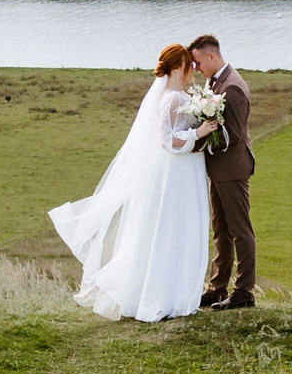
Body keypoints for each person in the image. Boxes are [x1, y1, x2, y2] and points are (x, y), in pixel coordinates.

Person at [47, 44, 214, 322]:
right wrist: (199, 131)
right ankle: (162, 297)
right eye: (188, 66)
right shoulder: (172, 99)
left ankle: (176, 294)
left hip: (185, 169)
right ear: (176, 69)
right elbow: (170, 140)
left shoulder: (179, 96)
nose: (192, 71)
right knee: (171, 229)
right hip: (176, 171)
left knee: (179, 227)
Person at [189, 33, 255, 310]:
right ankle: (217, 288)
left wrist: (196, 140)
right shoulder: (214, 82)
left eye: (198, 62)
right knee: (220, 230)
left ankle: (243, 293)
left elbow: (235, 136)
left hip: (232, 169)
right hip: (218, 170)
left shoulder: (233, 87)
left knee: (240, 231)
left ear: (211, 56)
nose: (196, 68)